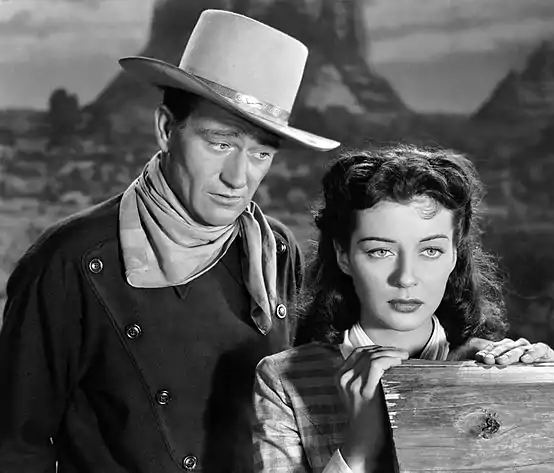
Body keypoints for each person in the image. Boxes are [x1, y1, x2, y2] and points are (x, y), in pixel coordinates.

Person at [0, 9, 339, 473]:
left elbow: (303, 411)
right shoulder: (70, 262)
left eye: (261, 153)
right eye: (220, 143)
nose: (238, 177)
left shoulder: (276, 251)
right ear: (165, 129)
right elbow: (17, 448)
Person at [253, 144, 554, 473]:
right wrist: (360, 446)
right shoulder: (284, 379)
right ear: (344, 256)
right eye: (380, 252)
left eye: (430, 251)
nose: (406, 278)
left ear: (454, 256)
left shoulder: (493, 369)